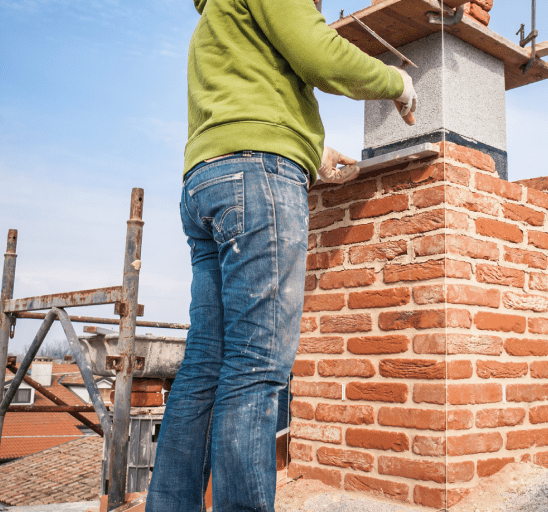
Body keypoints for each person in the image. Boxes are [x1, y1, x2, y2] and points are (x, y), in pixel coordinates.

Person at [145, 0, 416, 510]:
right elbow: (321, 54)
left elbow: (250, 102)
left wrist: (309, 152)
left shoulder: (215, 18)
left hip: (205, 183)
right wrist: (397, 81)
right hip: (256, 180)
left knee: (206, 364)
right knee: (256, 369)